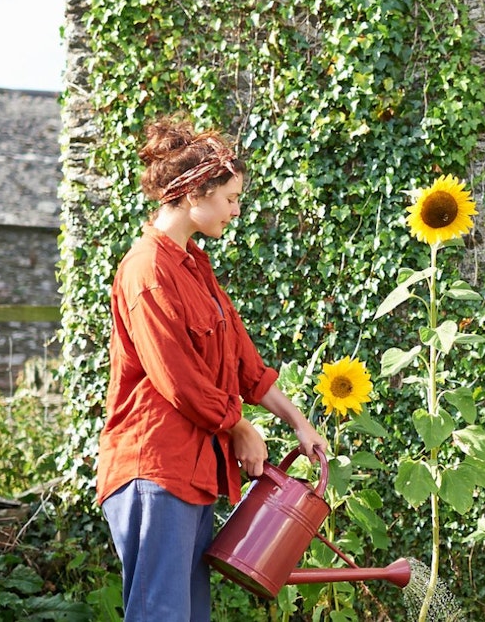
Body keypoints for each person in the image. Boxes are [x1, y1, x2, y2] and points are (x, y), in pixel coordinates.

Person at [96, 115, 328, 622]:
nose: (236, 210)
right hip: (153, 470)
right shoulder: (146, 270)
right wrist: (239, 426)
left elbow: (244, 363)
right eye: (230, 199)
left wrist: (298, 423)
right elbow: (176, 379)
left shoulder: (195, 266)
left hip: (192, 472)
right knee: (162, 616)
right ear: (196, 192)